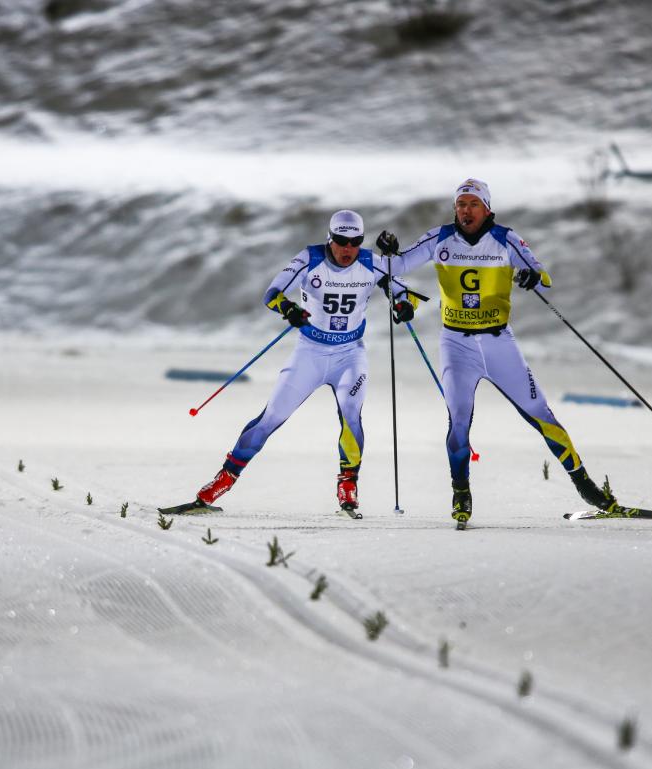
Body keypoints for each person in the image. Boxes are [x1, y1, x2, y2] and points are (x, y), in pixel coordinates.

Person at [376, 178, 616, 527]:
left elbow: (543, 274)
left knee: (540, 413)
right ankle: (461, 492)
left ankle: (585, 485)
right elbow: (392, 269)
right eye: (460, 205)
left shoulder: (506, 239)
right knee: (458, 420)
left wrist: (532, 277)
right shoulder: (439, 238)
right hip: (456, 344)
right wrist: (387, 250)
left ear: (487, 208)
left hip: (498, 343)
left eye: (473, 204)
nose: (466, 210)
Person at [161, 210, 411, 517]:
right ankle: (219, 484)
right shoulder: (310, 258)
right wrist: (288, 309)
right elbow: (272, 293)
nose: (348, 249)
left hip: (350, 355)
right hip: (310, 353)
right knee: (270, 419)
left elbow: (396, 288)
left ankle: (348, 485)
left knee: (351, 416)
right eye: (342, 241)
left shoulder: (371, 261)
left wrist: (402, 304)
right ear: (329, 239)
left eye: (355, 242)